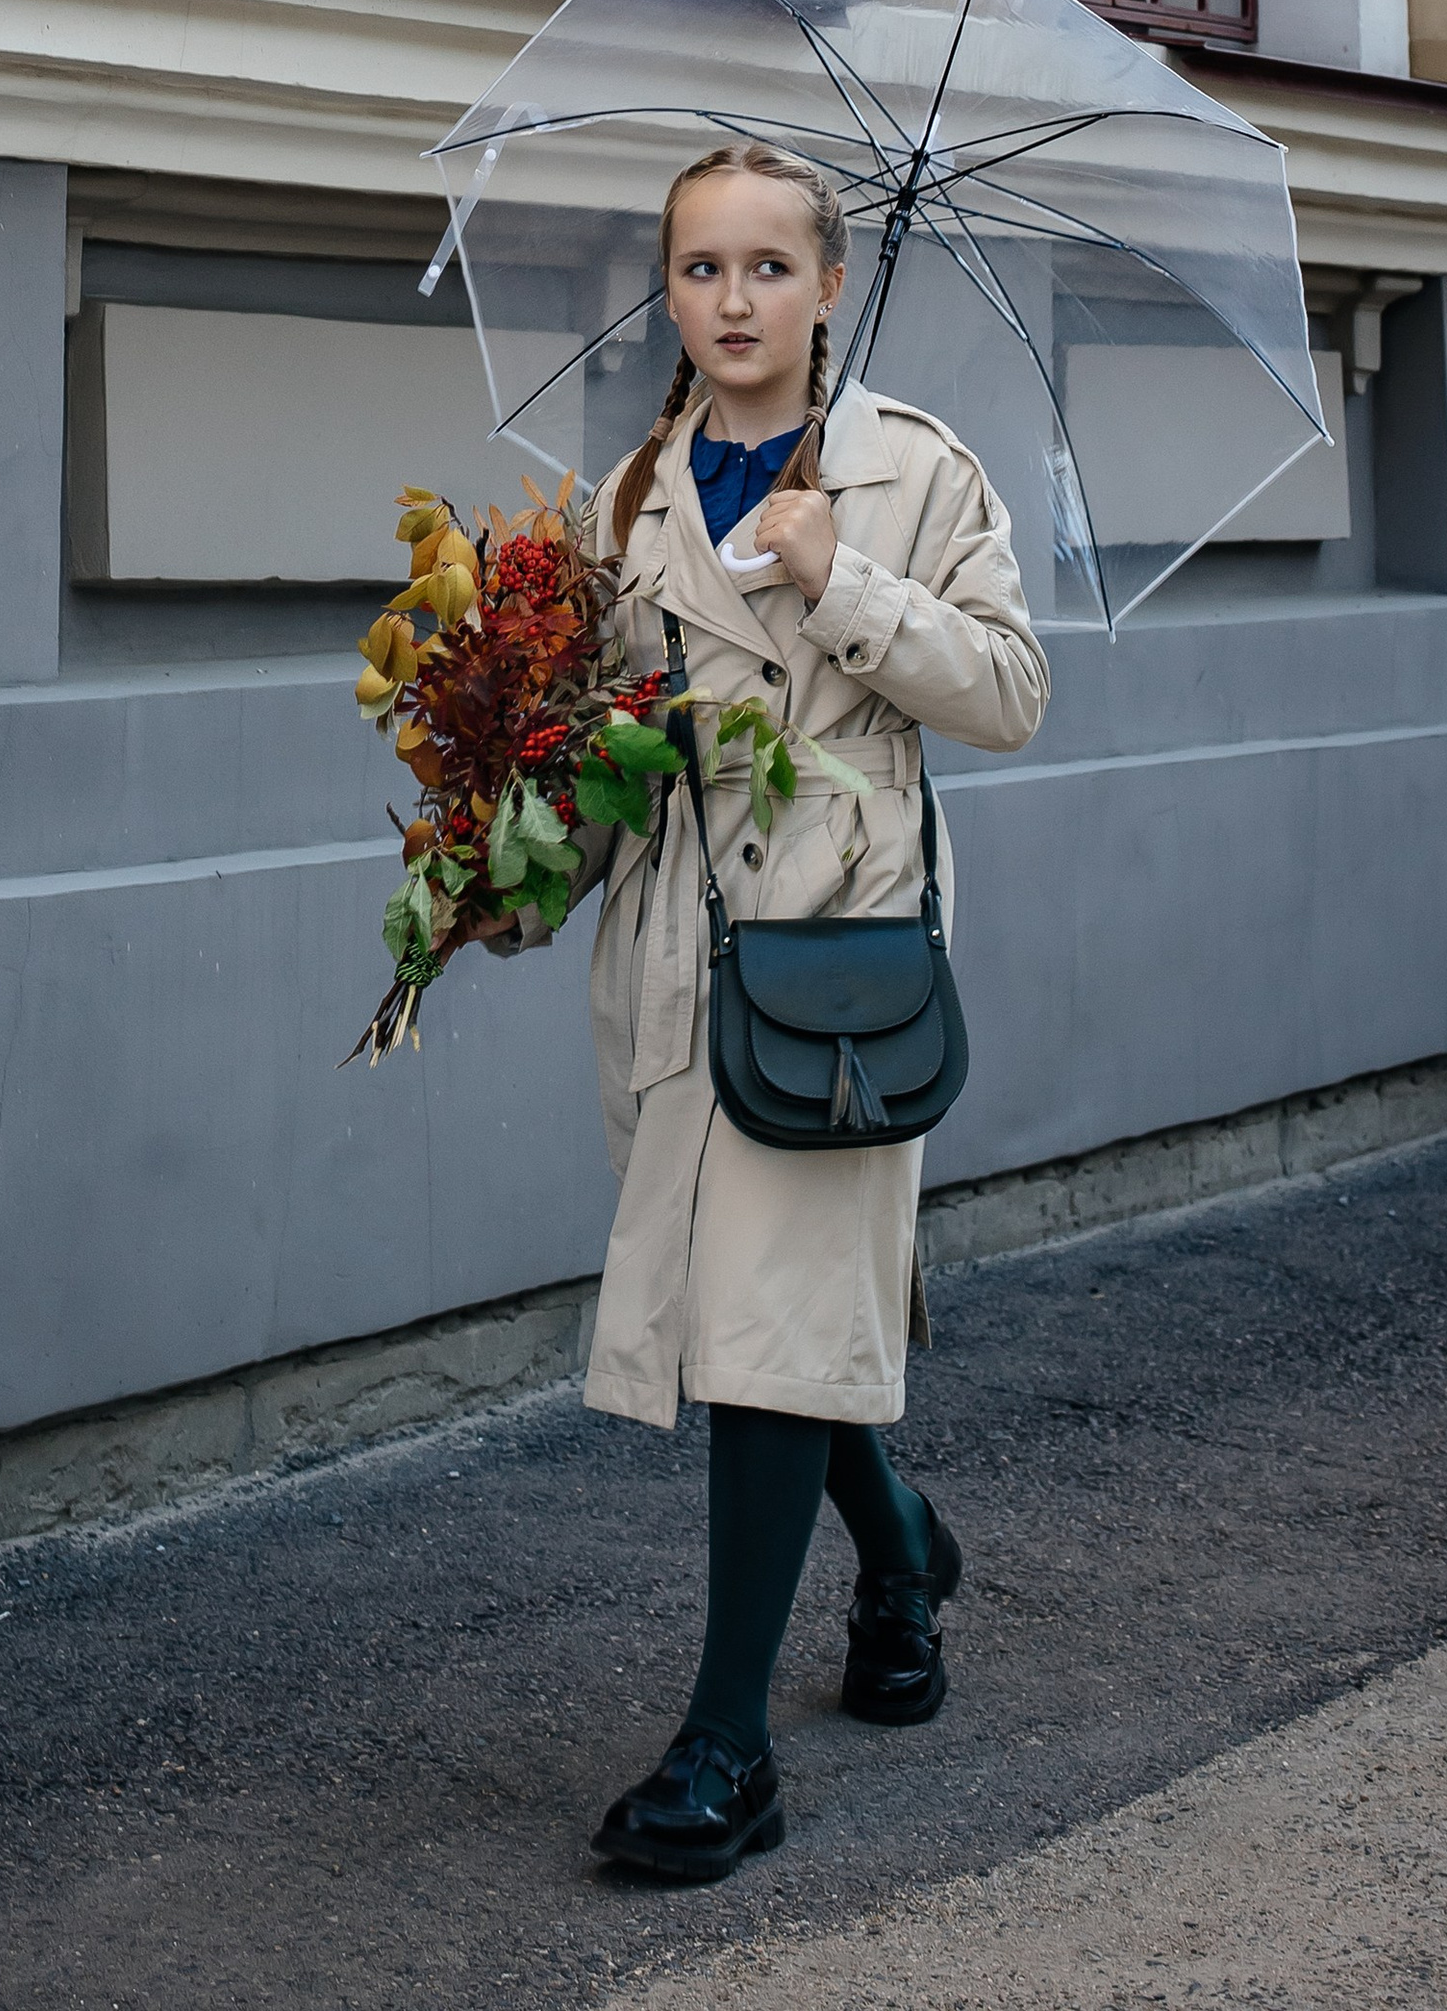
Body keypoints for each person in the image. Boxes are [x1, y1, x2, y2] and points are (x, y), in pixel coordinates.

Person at [480, 137, 1048, 1883]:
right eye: (701, 268)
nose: (733, 299)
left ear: (831, 285)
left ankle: (727, 1748)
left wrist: (838, 576)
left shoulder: (916, 473)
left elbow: (1009, 693)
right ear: (670, 292)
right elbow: (610, 748)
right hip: (678, 953)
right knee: (757, 1313)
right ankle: (901, 1543)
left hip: (839, 955)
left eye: (769, 266)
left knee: (761, 1331)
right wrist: (510, 874)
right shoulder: (628, 494)